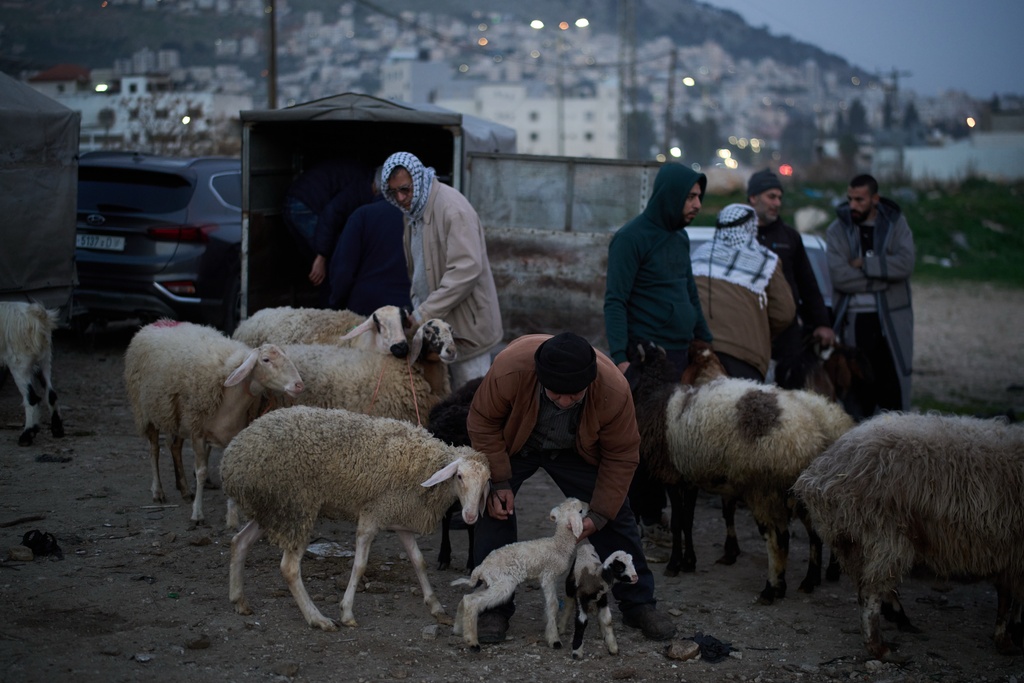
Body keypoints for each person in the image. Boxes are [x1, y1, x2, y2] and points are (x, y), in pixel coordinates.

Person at [466, 332, 677, 644]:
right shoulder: (510, 370)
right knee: (492, 506)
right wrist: (498, 481)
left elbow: (621, 455)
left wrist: (601, 514)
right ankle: (492, 606)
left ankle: (639, 603)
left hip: (576, 449)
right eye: (555, 395)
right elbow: (482, 421)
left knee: (617, 515)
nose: (565, 402)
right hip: (517, 443)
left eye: (574, 396)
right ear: (539, 379)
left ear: (589, 384)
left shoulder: (613, 389)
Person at [604, 162, 714, 540]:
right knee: (644, 441)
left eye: (700, 196)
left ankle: (655, 517)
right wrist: (620, 355)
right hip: (646, 358)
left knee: (671, 439)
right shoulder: (631, 238)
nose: (697, 203)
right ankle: (640, 520)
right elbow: (615, 300)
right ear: (669, 195)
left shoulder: (680, 238)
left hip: (680, 355)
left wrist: (703, 336)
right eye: (691, 196)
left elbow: (689, 291)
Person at [381, 151, 503, 389]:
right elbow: (418, 270)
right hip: (435, 327)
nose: (401, 197)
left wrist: (423, 312)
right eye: (394, 192)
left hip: (467, 329)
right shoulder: (412, 212)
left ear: (418, 179)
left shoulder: (452, 209)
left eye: (405, 189)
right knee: (444, 399)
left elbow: (466, 270)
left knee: (472, 399)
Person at [825, 174, 914, 418]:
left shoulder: (896, 226)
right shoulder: (837, 231)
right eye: (850, 199)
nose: (853, 205)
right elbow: (840, 276)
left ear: (875, 199)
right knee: (859, 391)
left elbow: (905, 264)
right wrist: (884, 280)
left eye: (860, 200)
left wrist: (865, 263)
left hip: (891, 321)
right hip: (854, 321)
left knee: (892, 390)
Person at [746, 168, 835, 381]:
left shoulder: (790, 237)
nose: (777, 203)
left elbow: (808, 284)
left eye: (779, 197)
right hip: (749, 331)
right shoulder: (739, 236)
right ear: (753, 198)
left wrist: (822, 323)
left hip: (788, 335)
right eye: (771, 197)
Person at [692, 203, 796, 382]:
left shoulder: (699, 255)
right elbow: (784, 312)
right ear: (751, 227)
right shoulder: (766, 261)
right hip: (745, 358)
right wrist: (759, 327)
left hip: (699, 353)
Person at [282, 158, 375, 294]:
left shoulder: (358, 174)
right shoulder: (363, 185)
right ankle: (333, 305)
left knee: (324, 261)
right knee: (334, 261)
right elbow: (331, 214)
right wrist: (322, 255)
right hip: (306, 204)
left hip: (296, 199)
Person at [327, 167, 412, 315]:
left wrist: (336, 304)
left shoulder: (362, 216)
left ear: (374, 187)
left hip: (366, 312)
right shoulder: (419, 218)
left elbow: (343, 270)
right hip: (409, 311)